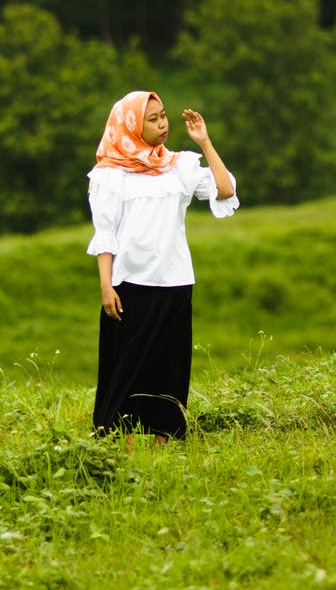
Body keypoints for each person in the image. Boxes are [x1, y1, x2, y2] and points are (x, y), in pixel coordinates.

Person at [86, 90, 239, 450]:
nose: (163, 123)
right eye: (152, 119)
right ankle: (118, 448)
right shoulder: (110, 175)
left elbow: (224, 189)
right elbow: (105, 235)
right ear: (131, 125)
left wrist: (204, 141)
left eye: (163, 115)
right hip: (130, 286)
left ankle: (162, 448)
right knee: (125, 369)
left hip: (175, 282)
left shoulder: (179, 166)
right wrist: (106, 286)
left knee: (168, 369)